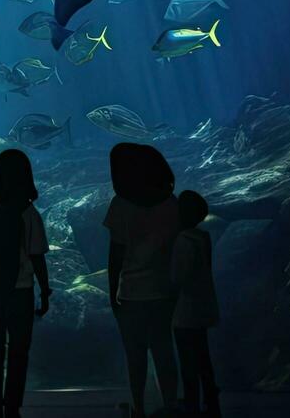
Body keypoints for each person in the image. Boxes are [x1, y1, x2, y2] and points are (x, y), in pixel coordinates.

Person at [0, 148, 51, 418]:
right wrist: (45, 290)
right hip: (21, 288)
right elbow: (37, 256)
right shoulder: (29, 213)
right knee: (18, 349)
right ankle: (12, 406)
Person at [104, 143, 180, 418]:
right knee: (164, 350)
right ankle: (170, 404)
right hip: (163, 290)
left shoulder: (120, 205)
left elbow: (116, 254)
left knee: (134, 355)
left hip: (131, 293)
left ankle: (138, 406)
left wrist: (112, 292)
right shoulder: (172, 203)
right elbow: (175, 249)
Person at [171, 190, 220, 416]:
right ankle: (211, 398)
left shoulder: (182, 241)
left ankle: (191, 402)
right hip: (203, 304)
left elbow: (178, 277)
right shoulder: (203, 237)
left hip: (185, 309)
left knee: (187, 359)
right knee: (203, 355)